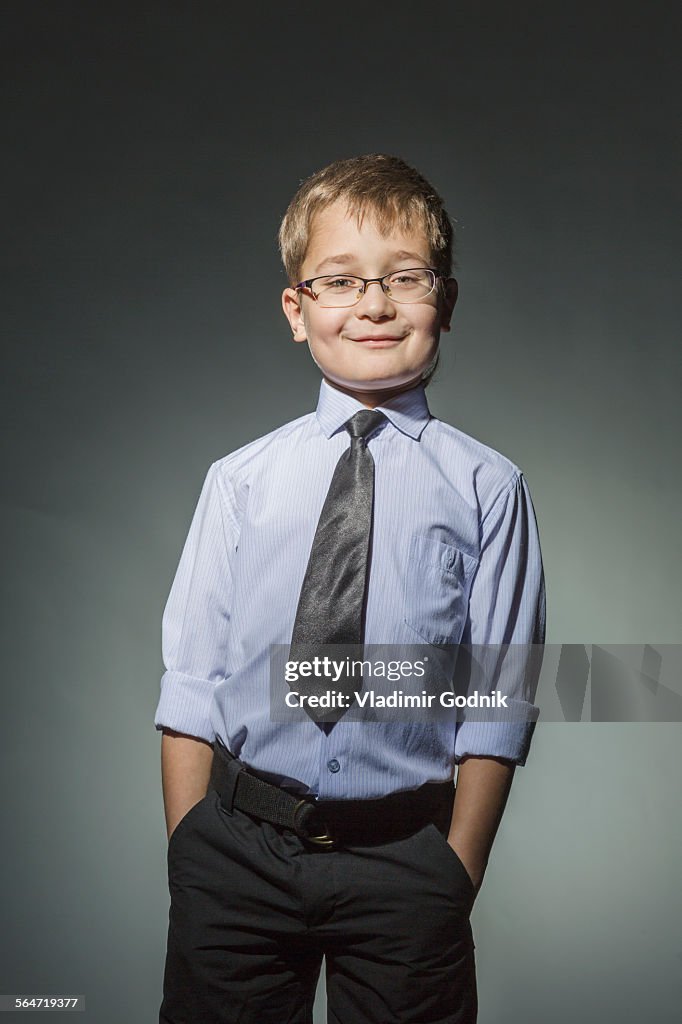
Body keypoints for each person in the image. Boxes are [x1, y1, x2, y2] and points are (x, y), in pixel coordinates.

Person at [155, 153, 546, 1024]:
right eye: (340, 281)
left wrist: (457, 870)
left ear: (444, 301)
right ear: (297, 312)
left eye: (405, 278)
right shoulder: (240, 480)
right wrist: (191, 847)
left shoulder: (489, 488)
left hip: (406, 859)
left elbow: (501, 695)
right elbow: (191, 678)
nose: (374, 304)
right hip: (237, 852)